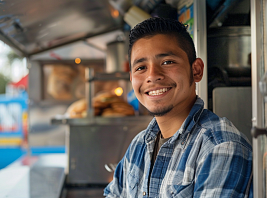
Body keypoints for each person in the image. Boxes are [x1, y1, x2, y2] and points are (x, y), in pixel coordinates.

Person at [103, 17, 253, 198]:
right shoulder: (139, 146)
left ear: (196, 70)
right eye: (141, 67)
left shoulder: (220, 146)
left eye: (167, 62)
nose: (152, 76)